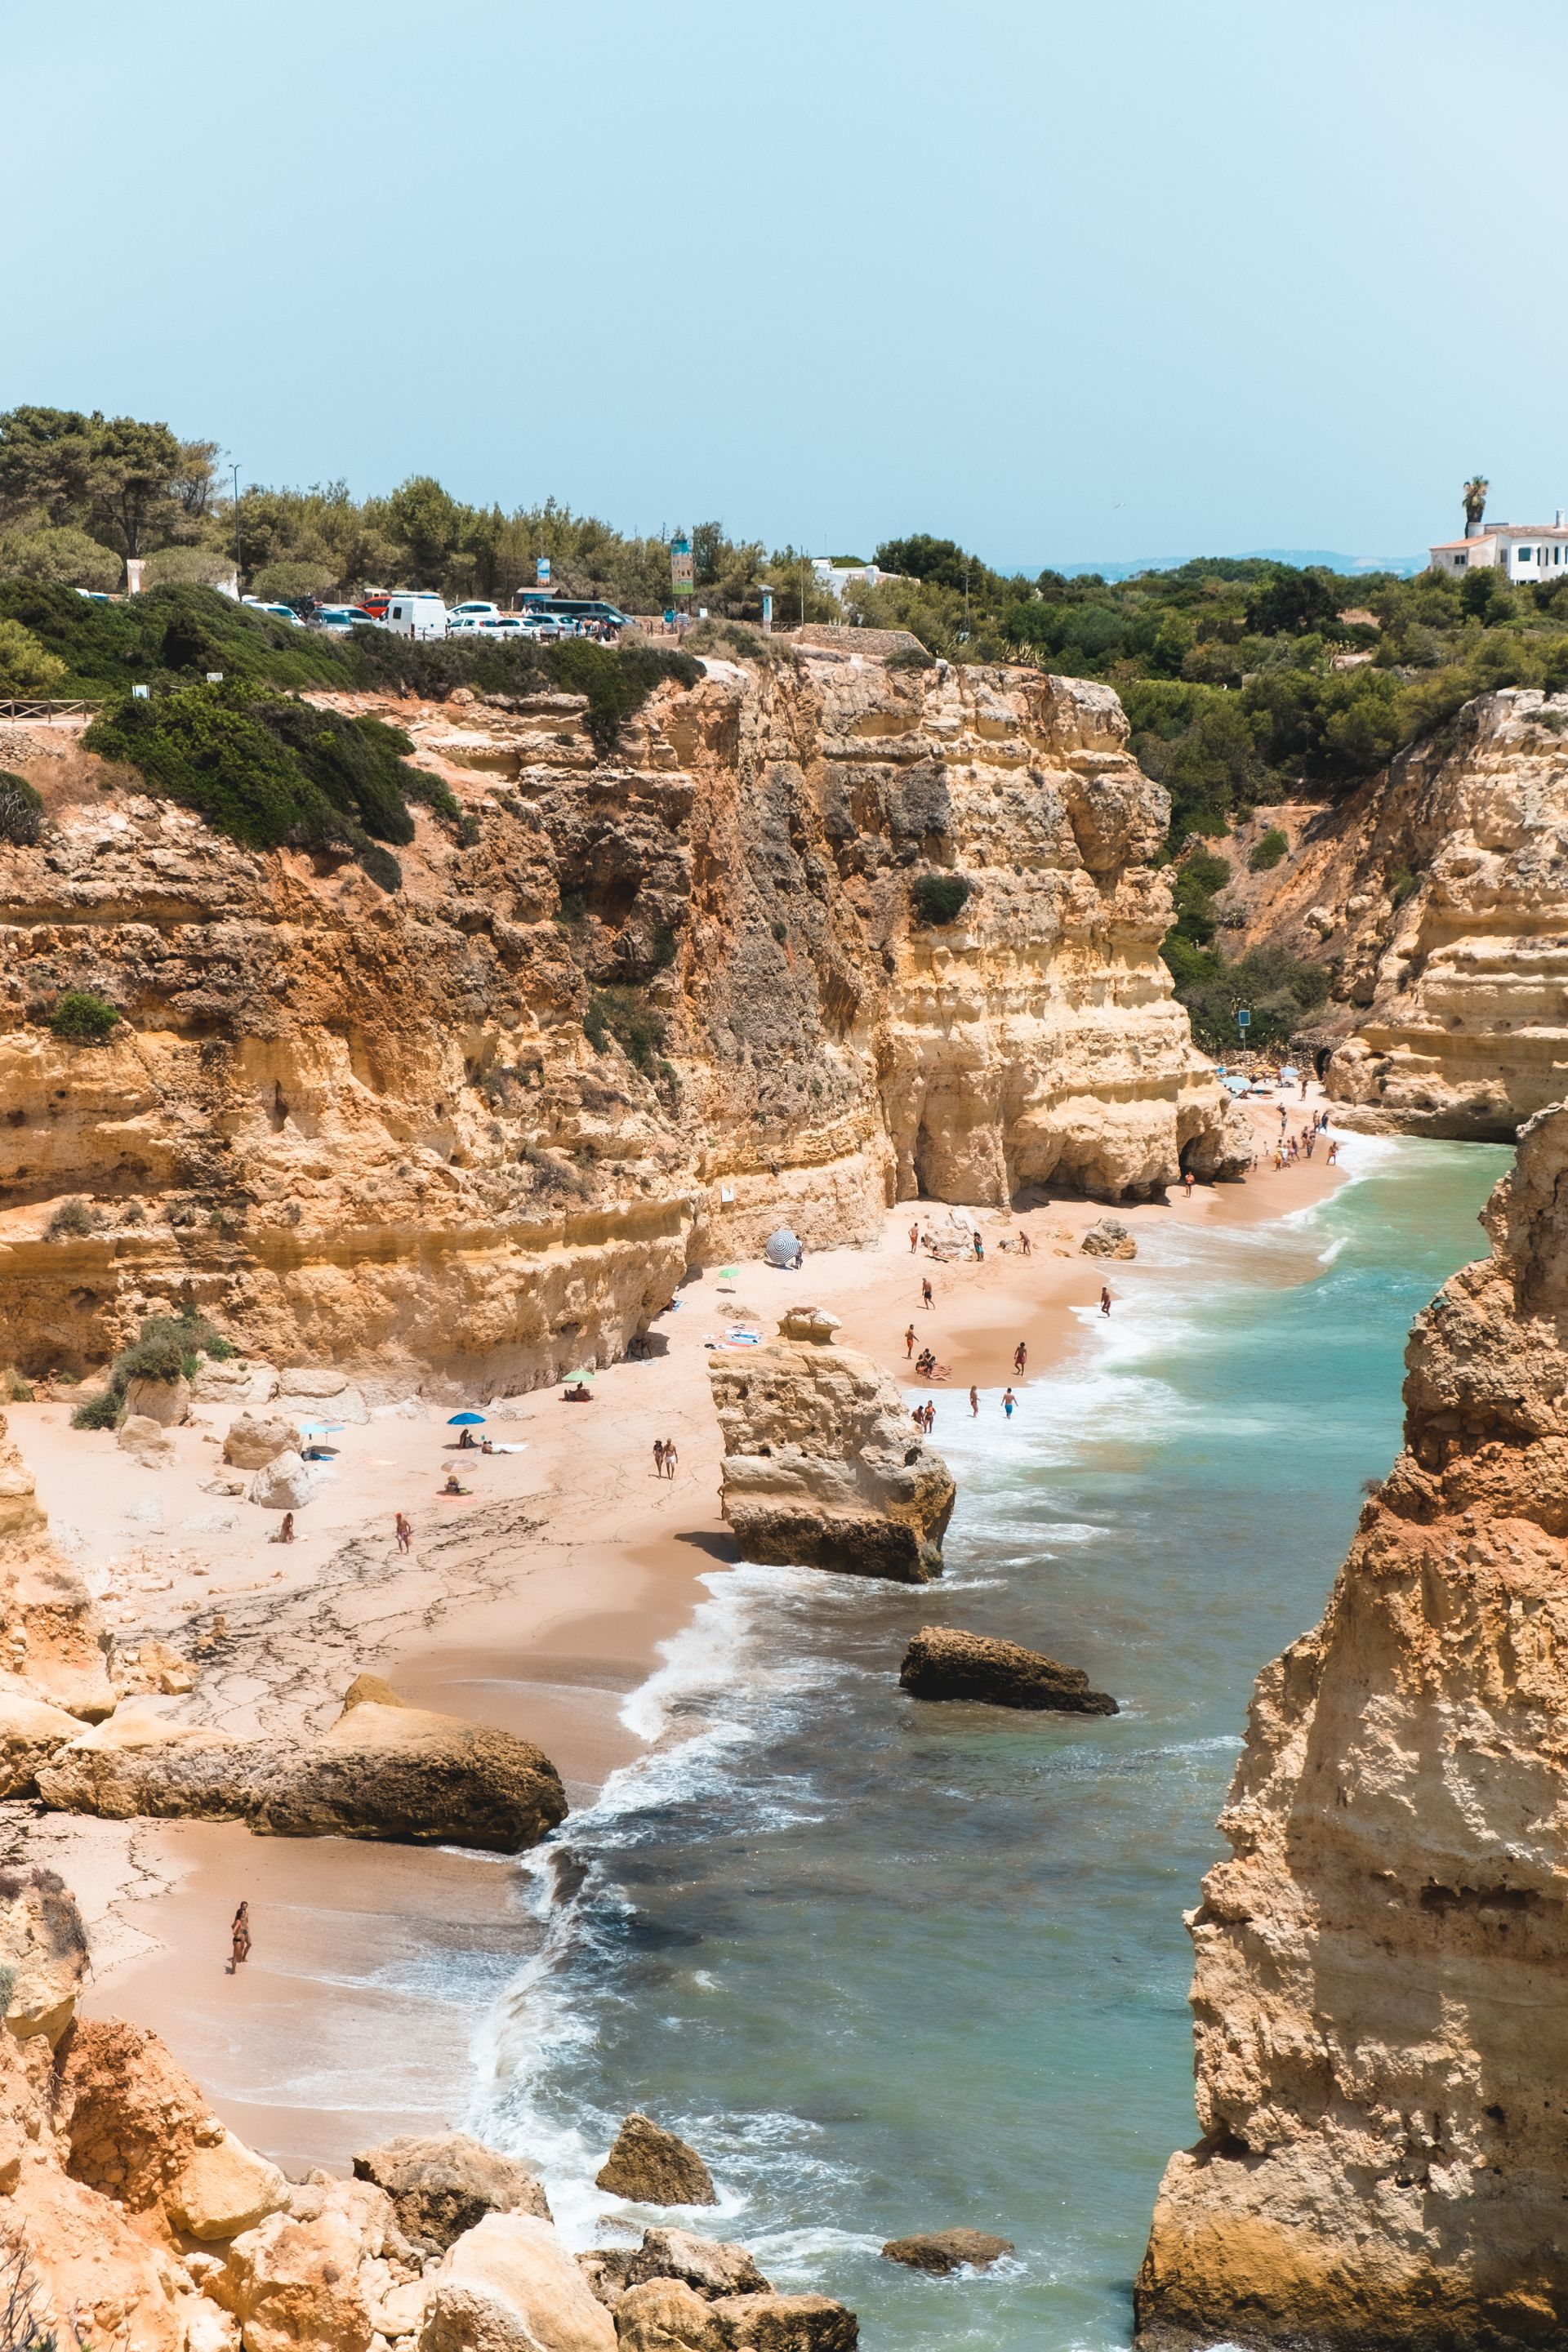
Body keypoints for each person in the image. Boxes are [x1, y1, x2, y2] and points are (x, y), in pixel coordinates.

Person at [229, 1903, 252, 1974]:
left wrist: (247, 1929)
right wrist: (237, 1932)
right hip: (241, 1933)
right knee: (241, 1947)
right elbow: (234, 1924)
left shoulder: (247, 1913)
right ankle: (240, 1959)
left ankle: (243, 1957)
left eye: (245, 1906)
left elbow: (246, 1922)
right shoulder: (239, 1915)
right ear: (241, 1906)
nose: (244, 1908)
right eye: (243, 1906)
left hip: (246, 1931)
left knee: (249, 1944)